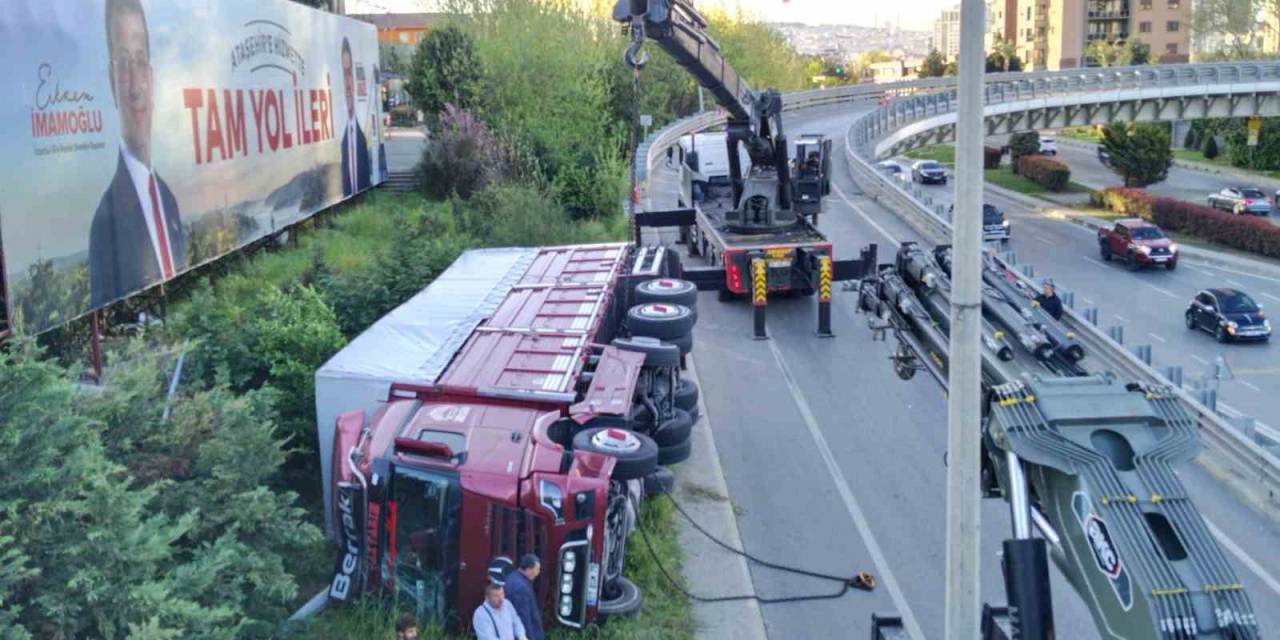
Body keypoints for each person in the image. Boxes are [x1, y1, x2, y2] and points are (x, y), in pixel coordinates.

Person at [90, 0, 186, 308]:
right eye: (123, 64)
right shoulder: (105, 221)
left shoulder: (168, 201)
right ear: (111, 81)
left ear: (152, 77)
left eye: (141, 61)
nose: (135, 86)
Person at [340, 37, 371, 198]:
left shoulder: (361, 139)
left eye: (349, 73)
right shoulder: (342, 142)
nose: (347, 84)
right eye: (344, 74)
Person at [504, 554, 545, 640]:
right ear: (529, 569)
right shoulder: (522, 588)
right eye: (537, 569)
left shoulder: (511, 577)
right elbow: (524, 617)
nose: (538, 573)